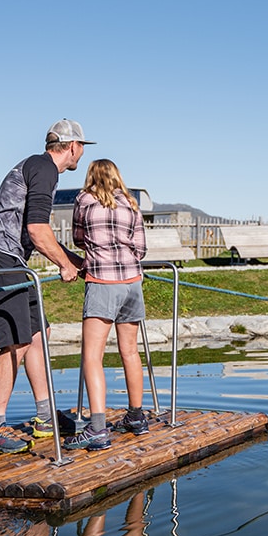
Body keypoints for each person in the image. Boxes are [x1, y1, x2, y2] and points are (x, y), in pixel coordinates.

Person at [0, 119, 92, 455]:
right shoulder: (44, 168)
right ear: (72, 147)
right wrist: (65, 264)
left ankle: (44, 418)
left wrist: (74, 260)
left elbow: (39, 234)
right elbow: (38, 230)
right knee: (15, 344)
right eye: (82, 146)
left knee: (40, 334)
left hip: (14, 261)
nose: (81, 153)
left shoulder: (39, 168)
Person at [64, 158, 150, 451]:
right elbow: (141, 248)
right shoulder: (131, 203)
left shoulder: (85, 200)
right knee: (129, 351)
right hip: (132, 283)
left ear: (91, 176)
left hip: (102, 282)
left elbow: (78, 238)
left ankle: (98, 429)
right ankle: (136, 417)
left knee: (92, 356)